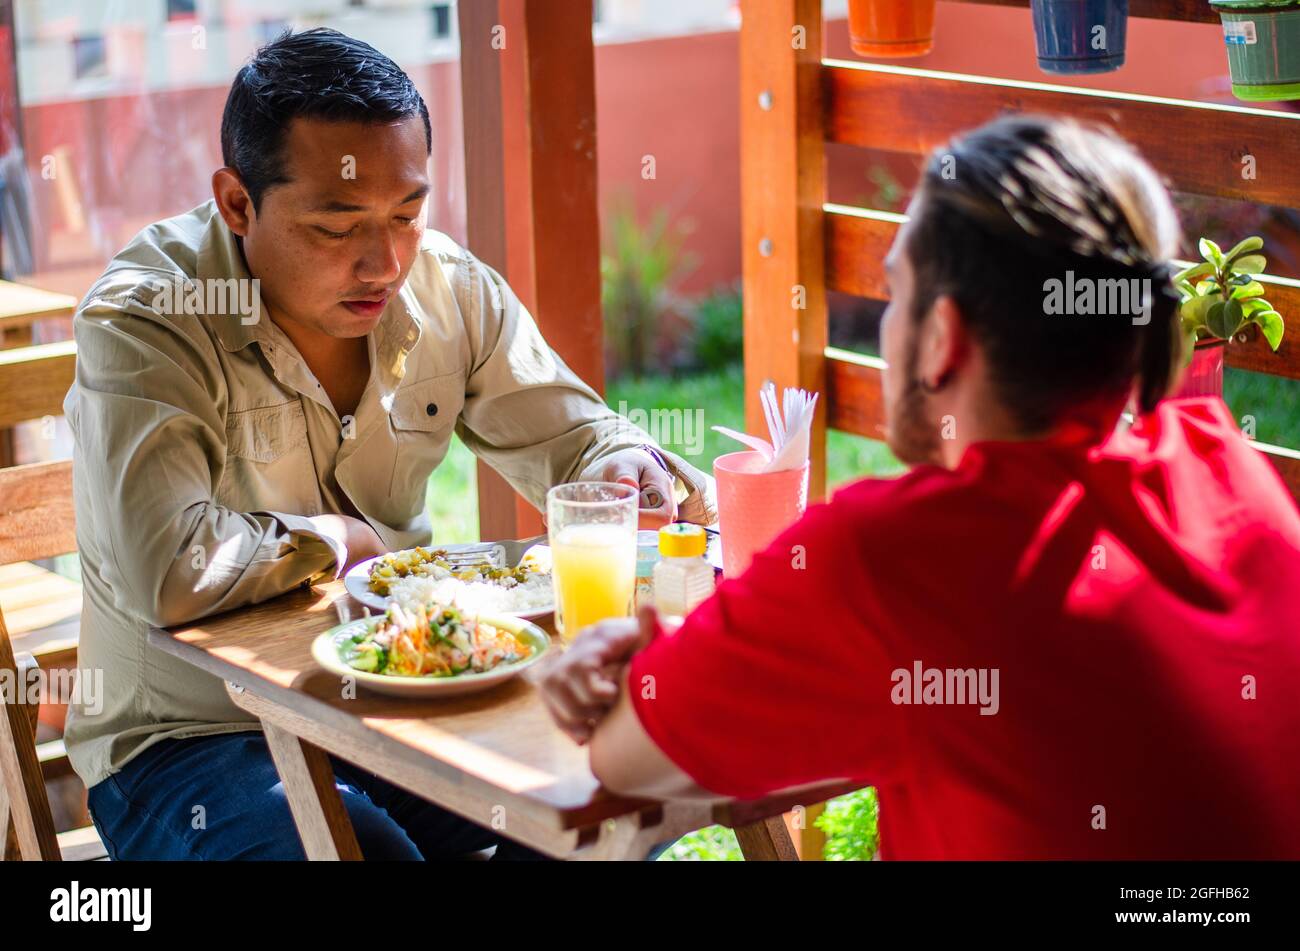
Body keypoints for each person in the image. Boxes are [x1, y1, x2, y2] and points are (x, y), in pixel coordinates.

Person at [540, 115, 1300, 859]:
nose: (885, 324)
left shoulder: (897, 555)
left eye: (892, 290)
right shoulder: (1229, 463)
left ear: (943, 338)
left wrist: (641, 667)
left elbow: (624, 757)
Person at [64, 29, 713, 861]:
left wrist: (618, 463)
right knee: (362, 853)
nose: (386, 262)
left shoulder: (446, 287)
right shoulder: (148, 318)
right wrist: (338, 539)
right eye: (338, 227)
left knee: (616, 796)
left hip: (400, 702)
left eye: (408, 213)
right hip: (193, 737)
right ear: (236, 203)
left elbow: (576, 434)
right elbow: (170, 570)